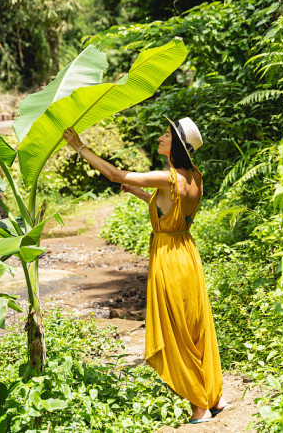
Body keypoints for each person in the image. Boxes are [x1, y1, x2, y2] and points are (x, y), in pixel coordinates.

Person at [63, 117, 230, 424]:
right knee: (195, 327)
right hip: (187, 254)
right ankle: (215, 396)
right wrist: (138, 193)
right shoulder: (195, 177)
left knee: (178, 331)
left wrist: (79, 147)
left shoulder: (167, 177)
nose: (161, 138)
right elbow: (171, 209)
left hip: (169, 257)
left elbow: (114, 173)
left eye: (167, 135)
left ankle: (199, 405)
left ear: (177, 146)